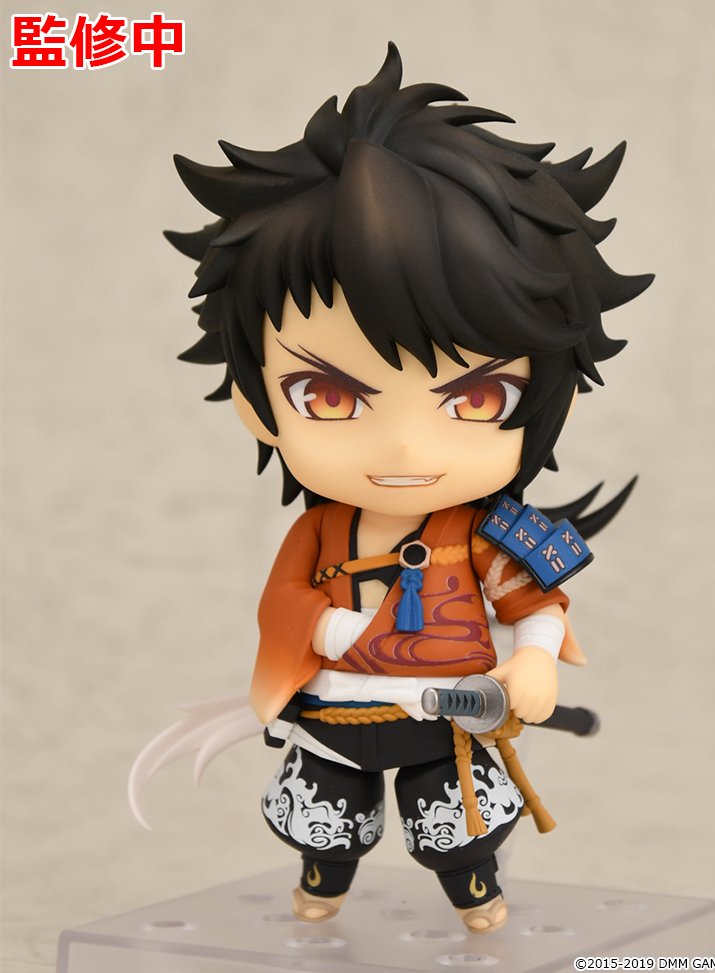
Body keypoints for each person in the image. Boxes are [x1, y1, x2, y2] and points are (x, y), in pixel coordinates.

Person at [158, 43, 653, 933]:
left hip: (448, 713)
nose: (403, 445)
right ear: (256, 405)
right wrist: (335, 630)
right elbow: (281, 603)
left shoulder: (490, 530)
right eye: (330, 395)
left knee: (454, 823)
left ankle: (474, 891)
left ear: (551, 400)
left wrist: (534, 657)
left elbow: (537, 600)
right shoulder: (322, 533)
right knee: (327, 813)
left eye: (475, 397)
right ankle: (323, 880)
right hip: (339, 706)